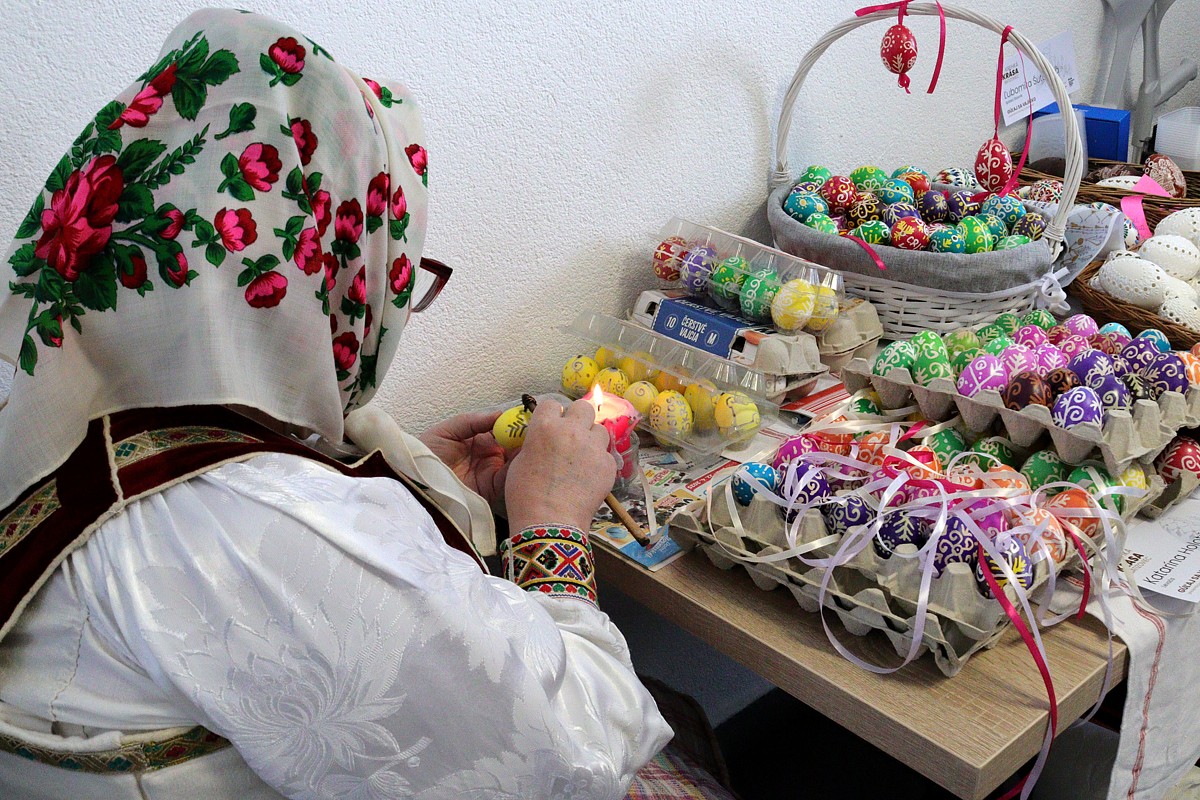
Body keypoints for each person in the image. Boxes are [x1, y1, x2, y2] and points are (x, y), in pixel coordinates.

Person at [0, 10, 737, 799]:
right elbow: (568, 756)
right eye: (393, 273)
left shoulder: (63, 405)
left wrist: (422, 480)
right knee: (679, 727)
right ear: (318, 272)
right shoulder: (256, 527)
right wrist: (552, 521)